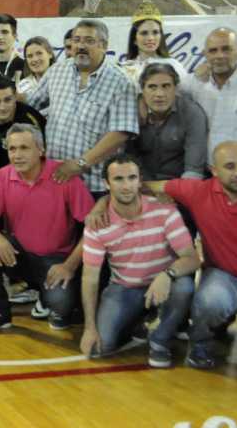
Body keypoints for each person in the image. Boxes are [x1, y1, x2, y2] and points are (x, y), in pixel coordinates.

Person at [87, 141, 237, 369]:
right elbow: (141, 186)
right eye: (230, 166)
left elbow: (134, 184)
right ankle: (199, 347)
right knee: (209, 300)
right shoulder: (198, 191)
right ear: (214, 170)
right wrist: (103, 202)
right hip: (223, 277)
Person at [0, 124, 94, 334]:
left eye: (24, 148)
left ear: (41, 150)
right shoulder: (2, 177)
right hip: (18, 255)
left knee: (61, 305)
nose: (17, 155)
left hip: (56, 260)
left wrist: (70, 266)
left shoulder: (64, 176)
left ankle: (47, 300)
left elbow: (93, 230)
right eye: (12, 149)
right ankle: (0, 311)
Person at [79, 155, 199, 368]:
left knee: (184, 287)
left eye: (132, 178)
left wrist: (167, 275)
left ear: (140, 181)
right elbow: (89, 279)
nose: (126, 186)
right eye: (118, 179)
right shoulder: (97, 223)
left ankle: (160, 341)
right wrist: (90, 328)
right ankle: (141, 320)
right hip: (125, 287)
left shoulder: (164, 209)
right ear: (106, 183)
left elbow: (192, 259)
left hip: (164, 285)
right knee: (101, 347)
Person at [27, 19, 139, 198]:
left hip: (95, 185)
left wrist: (80, 163)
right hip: (54, 177)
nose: (80, 45)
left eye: (88, 40)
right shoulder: (57, 71)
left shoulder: (121, 82)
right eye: (76, 40)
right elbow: (30, 103)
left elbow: (121, 133)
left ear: (104, 45)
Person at [180, 28, 237, 181]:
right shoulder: (194, 82)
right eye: (213, 51)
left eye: (226, 49)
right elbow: (163, 92)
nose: (219, 56)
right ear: (205, 54)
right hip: (209, 175)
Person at [129, 63, 207, 181]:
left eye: (166, 86)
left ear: (175, 89)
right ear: (142, 91)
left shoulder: (192, 113)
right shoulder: (131, 112)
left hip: (179, 187)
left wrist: (174, 192)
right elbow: (126, 159)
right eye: (152, 87)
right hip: (140, 185)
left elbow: (194, 171)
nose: (159, 94)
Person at [0, 74, 47, 172]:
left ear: (15, 97)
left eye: (7, 100)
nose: (2, 107)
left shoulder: (29, 120)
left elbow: (42, 156)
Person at [120, 2, 188, 83]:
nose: (150, 38)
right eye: (144, 33)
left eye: (155, 32)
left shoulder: (173, 65)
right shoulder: (124, 69)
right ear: (134, 39)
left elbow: (188, 94)